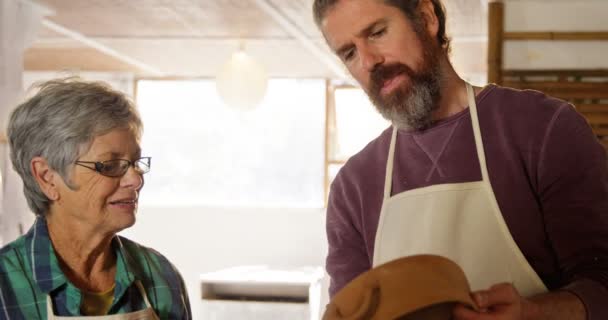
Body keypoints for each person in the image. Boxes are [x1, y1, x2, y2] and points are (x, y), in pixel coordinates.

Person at [312, 0, 608, 319]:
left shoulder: (544, 129)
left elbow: (602, 283)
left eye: (378, 32)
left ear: (426, 18)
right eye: (350, 53)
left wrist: (533, 312)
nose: (369, 61)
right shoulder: (353, 187)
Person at [0, 78, 191, 319]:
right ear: (47, 177)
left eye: (135, 163)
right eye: (110, 165)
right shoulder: (5, 284)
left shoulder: (161, 276)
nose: (135, 179)